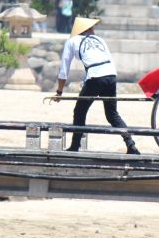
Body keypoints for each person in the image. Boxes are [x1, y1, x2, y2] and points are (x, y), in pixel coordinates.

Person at [55, 16, 140, 155]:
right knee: (112, 114)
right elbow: (107, 60)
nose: (94, 30)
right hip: (111, 75)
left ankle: (75, 146)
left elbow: (64, 70)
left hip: (95, 77)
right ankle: (131, 145)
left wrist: (59, 91)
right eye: (92, 27)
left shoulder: (72, 41)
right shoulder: (100, 40)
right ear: (86, 29)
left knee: (79, 111)